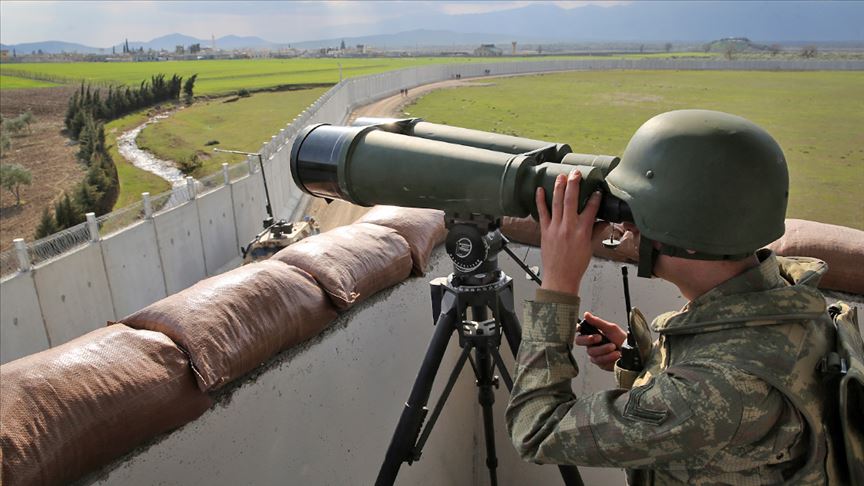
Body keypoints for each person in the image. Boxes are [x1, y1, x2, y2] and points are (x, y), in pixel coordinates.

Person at [505, 110, 839, 484]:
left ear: (685, 232)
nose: (627, 223)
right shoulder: (784, 301)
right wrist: (646, 363)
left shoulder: (720, 388)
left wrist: (559, 285)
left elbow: (536, 431)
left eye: (638, 209)